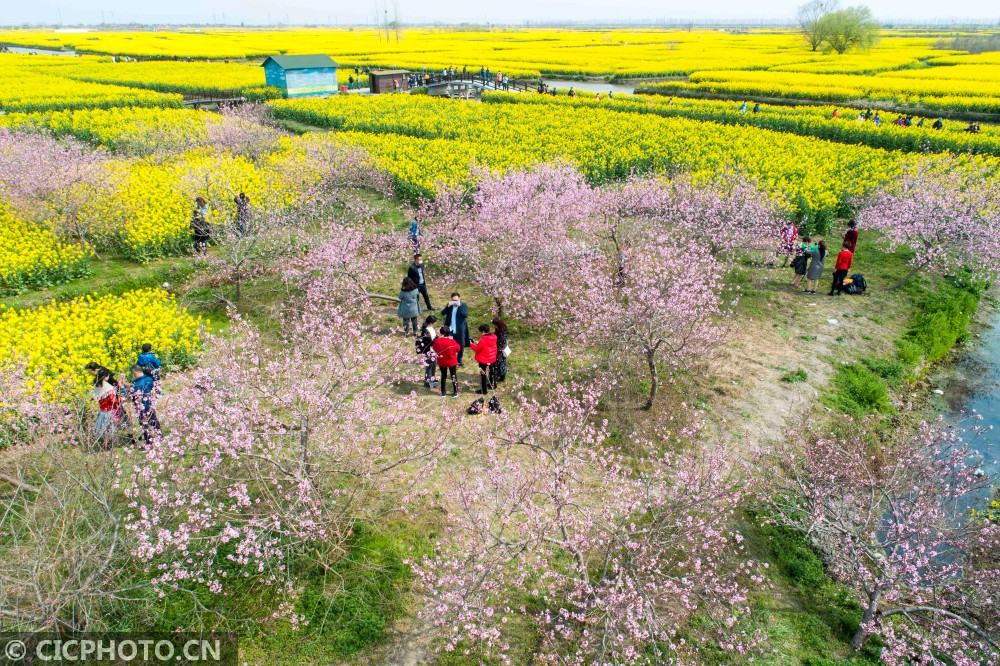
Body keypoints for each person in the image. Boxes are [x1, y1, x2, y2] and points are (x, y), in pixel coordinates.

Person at [85, 362, 125, 444]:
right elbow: (112, 399)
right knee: (111, 425)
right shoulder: (106, 385)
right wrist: (121, 399)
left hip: (105, 407)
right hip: (110, 407)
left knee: (105, 425)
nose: (90, 373)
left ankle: (106, 441)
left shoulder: (99, 383)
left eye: (90, 371)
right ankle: (110, 442)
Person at [125, 364, 160, 449]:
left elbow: (132, 396)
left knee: (144, 425)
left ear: (135, 373)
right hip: (151, 404)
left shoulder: (136, 384)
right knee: (154, 421)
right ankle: (159, 437)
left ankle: (149, 443)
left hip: (141, 407)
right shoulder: (149, 379)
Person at [441, 293, 470, 366]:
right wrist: (448, 306)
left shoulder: (463, 305)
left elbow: (466, 315)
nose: (454, 302)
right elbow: (442, 313)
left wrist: (459, 307)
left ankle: (459, 360)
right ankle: (451, 359)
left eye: (456, 300)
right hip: (450, 329)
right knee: (449, 344)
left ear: (460, 298)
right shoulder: (450, 305)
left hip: (460, 329)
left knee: (461, 344)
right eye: (453, 300)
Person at [431, 326, 461, 397]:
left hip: (442, 361)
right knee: (453, 376)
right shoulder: (452, 341)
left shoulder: (437, 341)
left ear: (441, 333)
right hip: (451, 361)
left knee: (443, 376)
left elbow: (434, 348)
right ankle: (456, 391)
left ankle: (443, 392)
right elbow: (458, 349)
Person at [469, 324, 498, 395]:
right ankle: (493, 385)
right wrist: (478, 343)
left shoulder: (483, 340)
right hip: (492, 358)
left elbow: (477, 349)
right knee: (491, 372)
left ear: (483, 331)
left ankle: (484, 390)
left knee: (483, 374)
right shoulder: (494, 337)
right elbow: (487, 346)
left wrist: (471, 344)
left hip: (484, 360)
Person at [417, 315, 439, 389]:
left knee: (434, 365)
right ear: (431, 322)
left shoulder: (430, 329)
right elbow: (430, 342)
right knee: (429, 366)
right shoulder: (426, 331)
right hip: (429, 350)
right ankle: (427, 382)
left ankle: (432, 380)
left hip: (433, 350)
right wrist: (437, 338)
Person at [489, 316, 509, 387]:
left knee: (497, 364)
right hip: (500, 348)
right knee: (502, 363)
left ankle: (494, 380)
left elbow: (501, 342)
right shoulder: (501, 328)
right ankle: (502, 377)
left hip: (500, 350)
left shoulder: (503, 332)